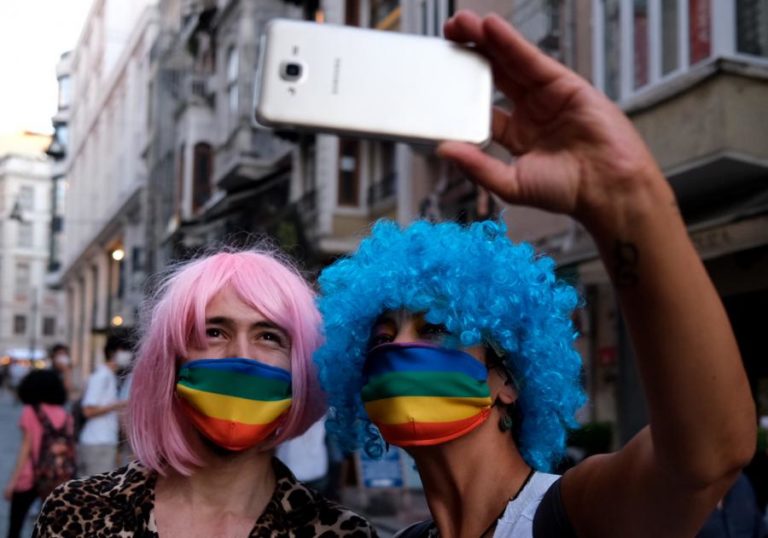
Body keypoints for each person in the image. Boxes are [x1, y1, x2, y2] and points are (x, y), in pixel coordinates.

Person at [313, 10, 757, 538]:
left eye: (433, 329)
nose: (394, 349)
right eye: (380, 338)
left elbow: (708, 456)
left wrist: (624, 198)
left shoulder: (577, 512)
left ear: (505, 382)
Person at [33, 249, 376, 537]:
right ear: (172, 360)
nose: (241, 355)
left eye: (269, 336)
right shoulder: (76, 511)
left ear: (301, 366)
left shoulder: (340, 533)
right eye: (214, 332)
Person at [4, 370, 73, 538]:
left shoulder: (30, 411)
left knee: (16, 526)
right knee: (50, 528)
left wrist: (12, 483)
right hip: (56, 477)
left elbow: (25, 449)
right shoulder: (65, 415)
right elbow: (70, 449)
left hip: (28, 476)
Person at [77, 335, 130, 477]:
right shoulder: (101, 377)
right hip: (97, 442)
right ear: (113, 353)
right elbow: (88, 410)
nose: (128, 355)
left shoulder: (109, 377)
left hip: (103, 441)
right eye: (125, 351)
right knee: (96, 494)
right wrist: (116, 405)